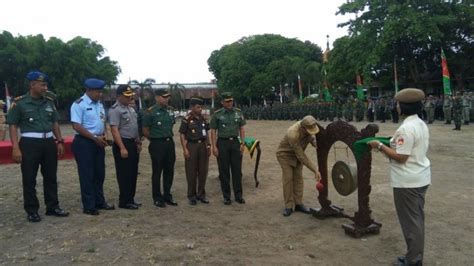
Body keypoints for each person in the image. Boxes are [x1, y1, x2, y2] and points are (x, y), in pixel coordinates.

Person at [368, 88, 430, 266]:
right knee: (416, 220)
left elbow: (401, 157)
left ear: (403, 107)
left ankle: (413, 260)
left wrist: (379, 145)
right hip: (419, 177)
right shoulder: (420, 123)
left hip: (408, 181)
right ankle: (414, 255)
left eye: (397, 104)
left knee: (411, 223)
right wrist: (391, 142)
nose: (396, 107)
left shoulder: (406, 128)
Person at [6, 71, 69, 222]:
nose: (45, 87)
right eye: (42, 85)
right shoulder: (19, 103)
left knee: (51, 177)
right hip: (29, 144)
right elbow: (13, 126)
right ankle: (32, 210)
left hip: (48, 142)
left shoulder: (48, 101)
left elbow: (54, 122)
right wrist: (15, 147)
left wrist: (59, 141)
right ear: (32, 85)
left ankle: (52, 207)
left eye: (46, 84)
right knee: (29, 178)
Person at [70, 78, 115, 215]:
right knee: (87, 175)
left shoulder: (99, 105)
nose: (100, 94)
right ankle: (89, 206)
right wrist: (94, 138)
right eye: (97, 92)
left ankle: (100, 202)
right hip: (85, 143)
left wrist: (104, 136)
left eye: (101, 92)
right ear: (88, 90)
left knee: (99, 174)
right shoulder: (79, 104)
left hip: (98, 141)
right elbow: (76, 125)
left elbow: (103, 121)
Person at [276, 115, 321, 217]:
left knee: (298, 179)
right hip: (285, 155)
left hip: (297, 154)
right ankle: (288, 206)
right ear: (302, 128)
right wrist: (315, 170)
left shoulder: (307, 125)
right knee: (288, 179)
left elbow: (311, 137)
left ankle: (298, 204)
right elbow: (301, 156)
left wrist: (315, 143)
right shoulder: (293, 133)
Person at [142, 89, 177, 207]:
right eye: (164, 97)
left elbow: (171, 125)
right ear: (157, 98)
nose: (167, 99)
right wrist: (155, 139)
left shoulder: (171, 110)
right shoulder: (150, 112)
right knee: (157, 171)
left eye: (168, 97)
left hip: (169, 143)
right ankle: (157, 197)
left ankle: (167, 195)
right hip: (157, 144)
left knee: (169, 170)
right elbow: (145, 131)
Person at [210, 92, 246, 205]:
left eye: (231, 101)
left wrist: (242, 143)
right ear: (222, 102)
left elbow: (242, 128)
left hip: (235, 142)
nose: (229, 103)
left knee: (237, 171)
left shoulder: (238, 112)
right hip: (222, 143)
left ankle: (238, 195)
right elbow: (213, 131)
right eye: (227, 101)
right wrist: (214, 146)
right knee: (224, 171)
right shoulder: (217, 114)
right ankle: (226, 197)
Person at [109, 85, 141, 209]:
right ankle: (124, 201)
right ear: (118, 96)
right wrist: (122, 147)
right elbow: (114, 129)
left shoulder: (130, 109)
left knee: (133, 173)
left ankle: (131, 198)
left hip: (132, 143)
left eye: (130, 95)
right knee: (124, 174)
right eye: (126, 96)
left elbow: (134, 126)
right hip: (123, 143)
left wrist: (138, 141)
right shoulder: (115, 110)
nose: (129, 98)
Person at [179, 97, 211, 205]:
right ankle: (191, 196)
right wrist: (185, 149)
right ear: (192, 107)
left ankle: (201, 194)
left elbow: (206, 133)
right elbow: (182, 134)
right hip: (191, 146)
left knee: (203, 171)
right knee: (191, 172)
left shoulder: (203, 118)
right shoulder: (186, 118)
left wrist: (209, 145)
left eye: (201, 107)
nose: (200, 109)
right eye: (198, 107)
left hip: (202, 145)